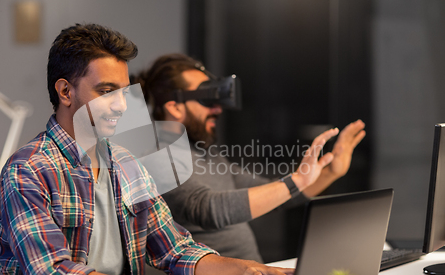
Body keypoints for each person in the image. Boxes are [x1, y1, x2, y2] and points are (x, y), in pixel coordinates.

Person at [0, 24, 351, 275]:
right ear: (65, 92)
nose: (122, 107)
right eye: (106, 91)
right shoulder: (27, 170)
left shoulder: (124, 162)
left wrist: (250, 270)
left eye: (124, 93)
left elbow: (175, 249)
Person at [133, 53, 366, 262]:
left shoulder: (208, 155)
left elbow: (278, 194)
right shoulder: (157, 158)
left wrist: (331, 171)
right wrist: (296, 181)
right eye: (208, 99)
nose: (217, 109)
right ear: (175, 108)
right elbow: (207, 208)